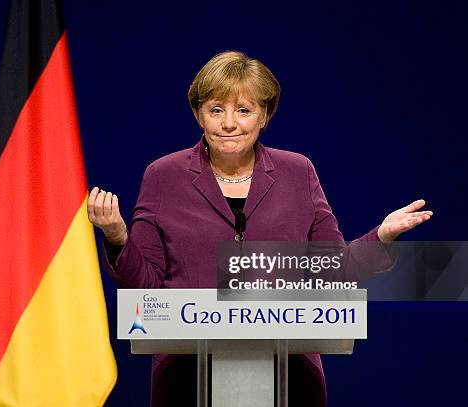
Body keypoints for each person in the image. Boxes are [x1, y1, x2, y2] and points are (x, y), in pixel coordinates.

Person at [87, 51, 432, 407]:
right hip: (186, 377)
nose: (229, 124)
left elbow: (332, 268)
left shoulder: (298, 172)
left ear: (264, 115)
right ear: (198, 114)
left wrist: (381, 237)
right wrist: (117, 237)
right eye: (216, 110)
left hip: (291, 374)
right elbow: (146, 287)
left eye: (244, 110)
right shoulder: (163, 176)